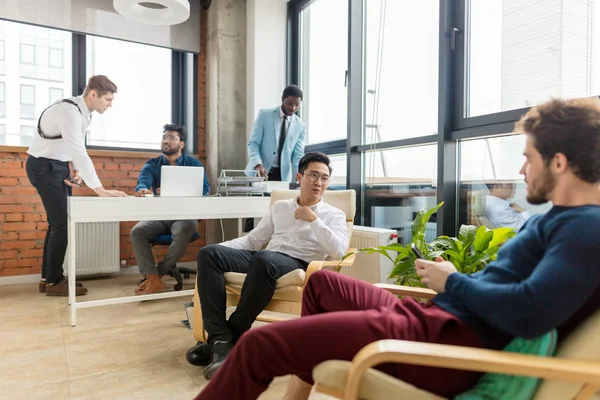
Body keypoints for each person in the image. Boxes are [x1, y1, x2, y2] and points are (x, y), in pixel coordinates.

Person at [193, 97, 600, 400]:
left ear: (559, 162)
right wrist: (454, 284)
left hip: (445, 342)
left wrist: (454, 282)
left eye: (528, 158)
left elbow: (529, 312)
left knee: (260, 345)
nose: (520, 170)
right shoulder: (561, 220)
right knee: (321, 288)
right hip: (437, 317)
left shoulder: (586, 227)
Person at [186, 152, 349, 381]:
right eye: (313, 175)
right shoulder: (280, 207)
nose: (318, 183)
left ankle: (229, 338)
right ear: (300, 177)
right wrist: (222, 248)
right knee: (208, 254)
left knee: (264, 259)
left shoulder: (334, 215)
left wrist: (313, 218)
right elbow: (253, 240)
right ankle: (221, 340)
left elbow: (339, 251)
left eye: (324, 178)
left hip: (297, 263)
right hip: (264, 258)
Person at [26, 75, 128, 297]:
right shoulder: (69, 111)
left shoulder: (84, 114)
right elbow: (77, 149)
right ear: (93, 94)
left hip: (59, 166)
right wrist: (99, 190)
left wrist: (78, 171)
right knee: (61, 224)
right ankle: (54, 283)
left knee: (58, 224)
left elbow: (74, 147)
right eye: (108, 99)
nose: (110, 104)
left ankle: (48, 279)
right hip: (43, 167)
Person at [131, 123, 210, 295]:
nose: (166, 141)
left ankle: (156, 276)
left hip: (185, 215)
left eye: (172, 138)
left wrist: (177, 192)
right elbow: (142, 181)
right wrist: (142, 189)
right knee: (137, 231)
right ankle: (151, 276)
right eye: (164, 137)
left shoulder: (193, 164)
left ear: (181, 144)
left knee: (187, 227)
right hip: (161, 215)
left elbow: (205, 189)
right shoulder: (153, 164)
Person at [245, 85, 306, 183]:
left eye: (297, 105)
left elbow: (297, 155)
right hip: (260, 172)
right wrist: (257, 164)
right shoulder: (264, 115)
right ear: (282, 99)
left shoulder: (300, 126)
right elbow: (253, 143)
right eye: (289, 104)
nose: (293, 108)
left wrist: (300, 175)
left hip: (282, 177)